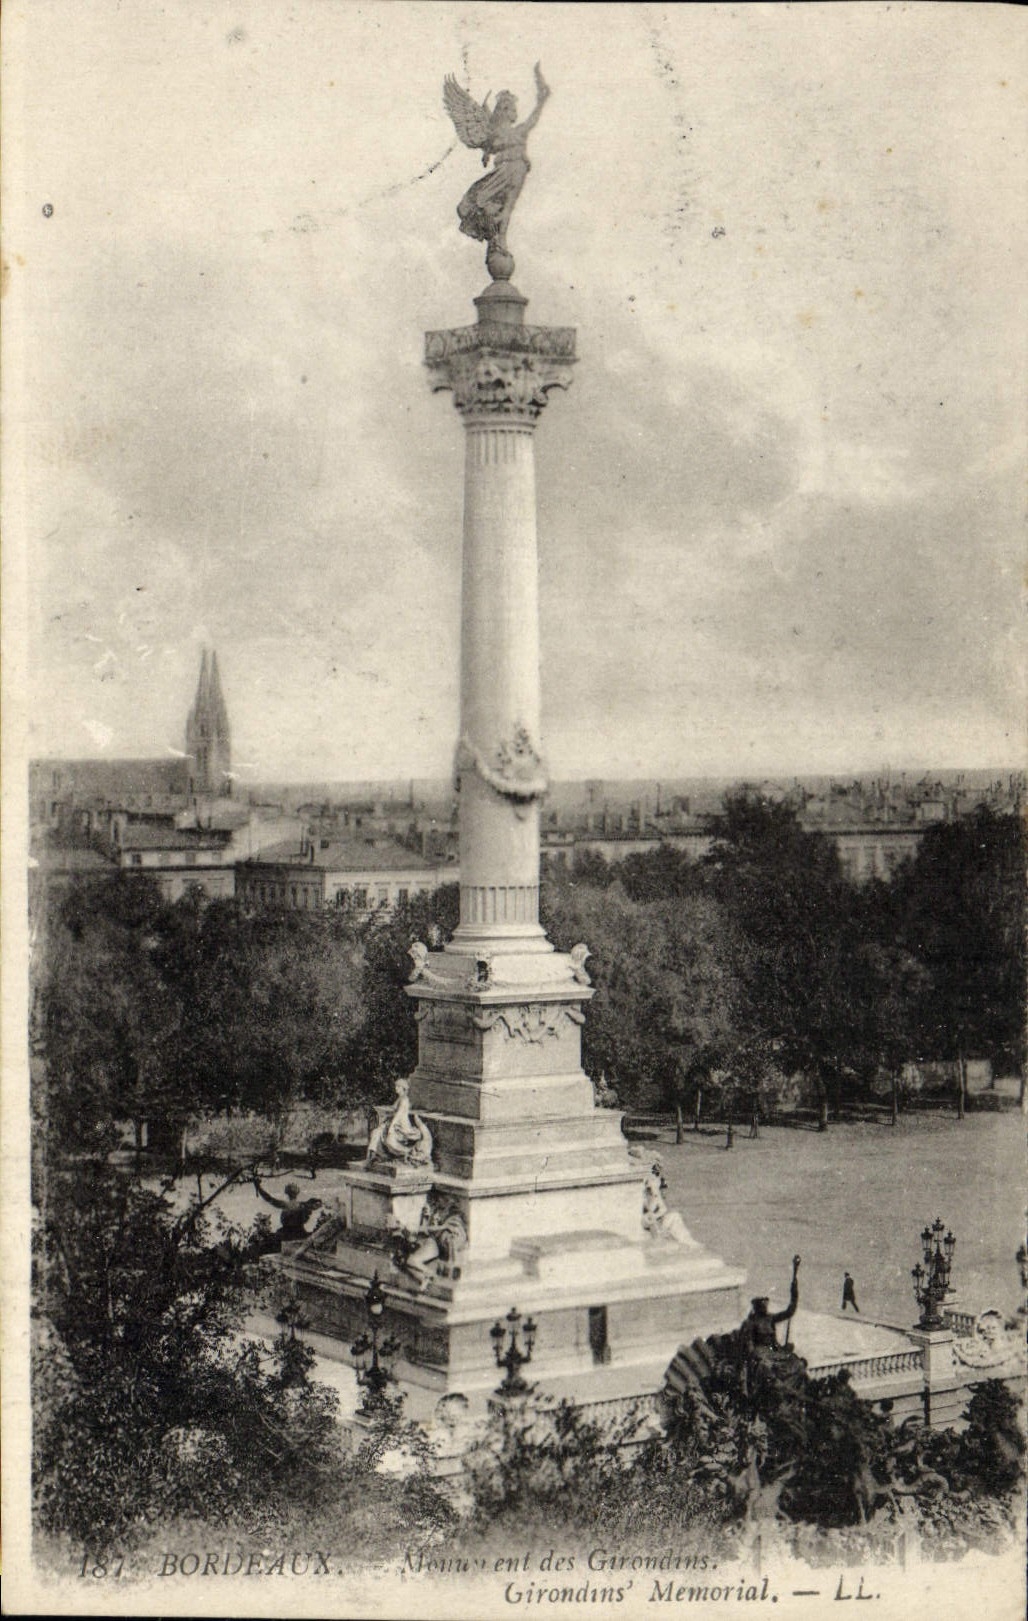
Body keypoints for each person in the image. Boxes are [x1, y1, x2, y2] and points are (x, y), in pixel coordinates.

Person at [738, 1255, 801, 1394]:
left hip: (773, 1351)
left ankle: (790, 1389)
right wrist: (755, 1355)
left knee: (797, 1363)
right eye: (763, 1305)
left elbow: (790, 1311)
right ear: (757, 1307)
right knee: (767, 1369)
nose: (766, 1307)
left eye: (766, 1304)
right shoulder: (751, 1323)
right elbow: (748, 1346)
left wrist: (794, 1286)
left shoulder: (770, 1319)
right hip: (760, 1354)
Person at [254, 1178, 321, 1247]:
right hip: (300, 1232)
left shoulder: (284, 1204)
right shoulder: (303, 1205)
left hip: (286, 1233)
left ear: (287, 1193)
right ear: (297, 1193)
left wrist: (259, 1187)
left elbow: (269, 1198)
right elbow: (317, 1205)